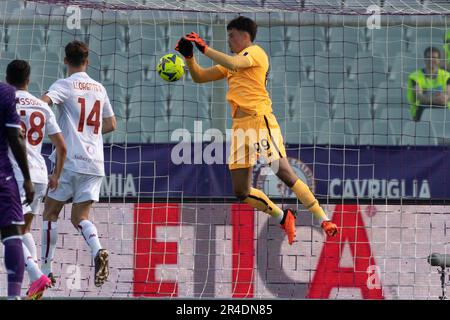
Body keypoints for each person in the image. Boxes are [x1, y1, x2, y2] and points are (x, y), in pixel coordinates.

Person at [175, 16, 338, 245]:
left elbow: (235, 64)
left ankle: (323, 218)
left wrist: (204, 48)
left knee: (283, 171)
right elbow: (200, 77)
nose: (229, 40)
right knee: (241, 191)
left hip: (260, 122)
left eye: (231, 36)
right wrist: (190, 58)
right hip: (240, 129)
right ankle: (283, 217)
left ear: (245, 35)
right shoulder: (232, 61)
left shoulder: (256, 53)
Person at [39, 40, 116, 287]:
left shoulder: (64, 84)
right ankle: (97, 249)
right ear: (87, 60)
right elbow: (112, 124)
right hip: (95, 163)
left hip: (69, 161)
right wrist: (89, 135)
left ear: (65, 60)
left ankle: (46, 270)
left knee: (50, 213)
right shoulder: (99, 88)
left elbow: (43, 104)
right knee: (80, 217)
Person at [6, 60, 67, 299]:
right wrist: (56, 176)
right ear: (28, 80)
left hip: (16, 175)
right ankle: (34, 288)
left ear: (7, 79)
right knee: (25, 229)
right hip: (40, 175)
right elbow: (61, 147)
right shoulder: (42, 107)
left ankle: (36, 277)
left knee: (8, 230)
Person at [1, 81, 34, 299]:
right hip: (3, 174)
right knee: (14, 233)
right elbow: (15, 137)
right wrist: (27, 178)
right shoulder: (5, 92)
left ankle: (38, 272)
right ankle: (14, 296)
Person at [407, 46, 450, 121]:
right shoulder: (415, 76)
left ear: (439, 60)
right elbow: (419, 96)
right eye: (428, 57)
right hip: (423, 109)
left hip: (443, 109)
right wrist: (433, 100)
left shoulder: (446, 76)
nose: (431, 60)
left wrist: (443, 98)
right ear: (424, 59)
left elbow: (447, 95)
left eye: (434, 57)